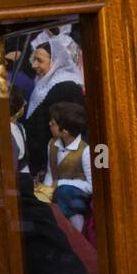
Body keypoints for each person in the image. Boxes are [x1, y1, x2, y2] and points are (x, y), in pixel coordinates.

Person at [23, 37, 85, 180]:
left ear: (55, 61)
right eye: (34, 59)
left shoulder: (66, 86)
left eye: (39, 60)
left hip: (59, 159)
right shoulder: (44, 80)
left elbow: (66, 125)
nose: (33, 65)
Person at [37, 100, 91, 232]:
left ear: (65, 132)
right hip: (57, 194)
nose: (49, 124)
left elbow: (92, 186)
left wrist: (61, 183)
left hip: (76, 199)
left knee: (64, 193)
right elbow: (51, 173)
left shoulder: (86, 150)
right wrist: (46, 192)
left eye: (53, 124)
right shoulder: (52, 144)